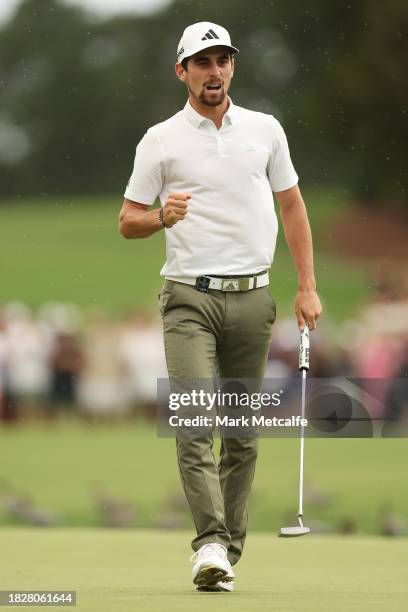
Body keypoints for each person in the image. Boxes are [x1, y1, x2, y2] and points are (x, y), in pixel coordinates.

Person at [119, 21, 322, 592]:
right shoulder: (160, 139)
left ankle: (226, 553)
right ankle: (208, 542)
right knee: (194, 419)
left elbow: (294, 209)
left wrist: (307, 286)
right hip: (189, 298)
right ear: (181, 71)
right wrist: (162, 216)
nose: (215, 71)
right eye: (203, 62)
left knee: (241, 434)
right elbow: (127, 219)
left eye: (223, 60)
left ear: (232, 66)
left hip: (253, 299)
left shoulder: (265, 129)